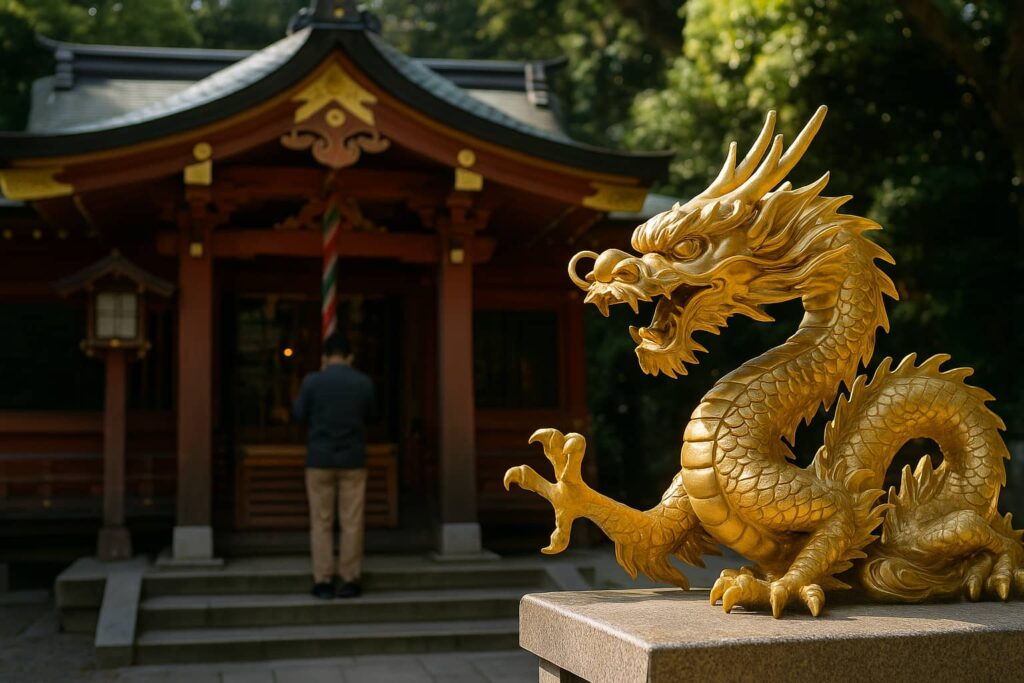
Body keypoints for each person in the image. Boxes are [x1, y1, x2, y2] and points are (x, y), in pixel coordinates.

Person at [293, 332, 376, 600]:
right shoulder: (362, 382)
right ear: (350, 357)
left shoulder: (312, 382)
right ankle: (350, 578)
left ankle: (323, 579)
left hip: (320, 457)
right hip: (352, 457)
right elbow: (373, 416)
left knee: (321, 521)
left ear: (325, 357)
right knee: (352, 521)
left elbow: (298, 415)